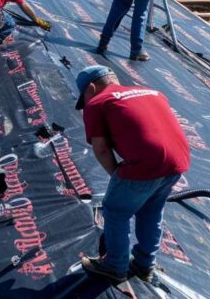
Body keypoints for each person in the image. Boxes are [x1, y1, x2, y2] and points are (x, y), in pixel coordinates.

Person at [76, 65, 190, 284]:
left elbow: (101, 149)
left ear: (91, 88)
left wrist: (116, 174)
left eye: (84, 99)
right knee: (151, 211)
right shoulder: (152, 92)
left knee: (116, 211)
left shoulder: (98, 103)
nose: (85, 106)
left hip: (145, 164)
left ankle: (115, 265)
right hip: (178, 163)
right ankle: (145, 264)